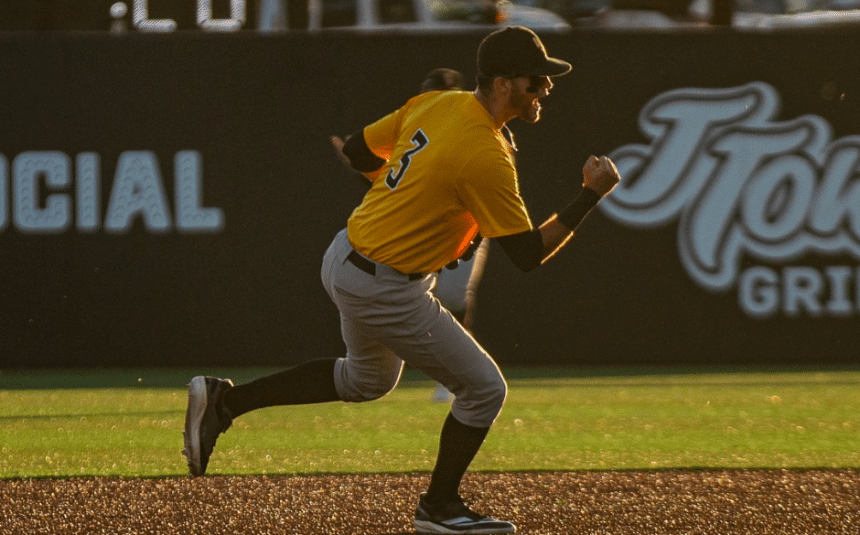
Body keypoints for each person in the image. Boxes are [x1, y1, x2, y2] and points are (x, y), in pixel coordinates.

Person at [183, 26, 621, 535]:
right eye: (534, 80)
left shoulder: (439, 103)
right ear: (502, 84)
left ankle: (225, 402)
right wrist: (590, 194)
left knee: (365, 381)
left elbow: (357, 152)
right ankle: (438, 508)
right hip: (383, 285)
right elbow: (526, 255)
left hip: (347, 255)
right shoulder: (483, 151)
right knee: (484, 390)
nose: (545, 88)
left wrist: (416, 198)